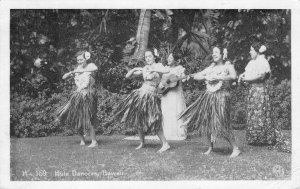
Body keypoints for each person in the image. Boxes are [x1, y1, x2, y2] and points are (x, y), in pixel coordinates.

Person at [178, 46, 241, 158]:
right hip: (209, 96)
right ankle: (210, 147)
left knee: (221, 121)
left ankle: (235, 148)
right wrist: (201, 76)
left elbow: (233, 76)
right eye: (213, 53)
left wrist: (219, 77)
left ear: (222, 54)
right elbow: (198, 76)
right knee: (207, 120)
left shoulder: (227, 66)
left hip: (221, 96)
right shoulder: (211, 67)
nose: (214, 54)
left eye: (216, 52)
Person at [114, 49, 170, 153]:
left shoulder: (158, 66)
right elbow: (128, 76)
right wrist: (135, 68)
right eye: (146, 57)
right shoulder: (145, 68)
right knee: (138, 117)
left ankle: (165, 144)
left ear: (154, 57)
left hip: (152, 96)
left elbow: (167, 71)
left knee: (153, 120)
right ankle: (142, 142)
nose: (147, 58)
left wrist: (155, 70)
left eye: (149, 56)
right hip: (141, 94)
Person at [238, 42, 291, 152]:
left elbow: (261, 76)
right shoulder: (252, 62)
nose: (250, 52)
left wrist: (246, 79)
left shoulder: (263, 62)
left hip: (260, 90)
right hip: (252, 91)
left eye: (251, 50)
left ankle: (264, 138)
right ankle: (254, 138)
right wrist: (242, 76)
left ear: (257, 51)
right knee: (253, 113)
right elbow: (247, 72)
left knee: (261, 112)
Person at [56, 51, 98, 148]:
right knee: (77, 117)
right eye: (78, 60)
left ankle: (94, 141)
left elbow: (96, 69)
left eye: (81, 59)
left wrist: (77, 71)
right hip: (78, 95)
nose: (79, 61)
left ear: (86, 59)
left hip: (88, 94)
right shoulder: (76, 69)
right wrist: (72, 72)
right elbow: (64, 77)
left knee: (90, 117)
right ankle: (82, 140)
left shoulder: (90, 66)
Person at [160, 53, 187, 140]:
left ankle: (177, 132)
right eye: (168, 57)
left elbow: (183, 78)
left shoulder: (180, 68)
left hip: (175, 94)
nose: (168, 59)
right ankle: (167, 132)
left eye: (171, 58)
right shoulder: (165, 68)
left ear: (176, 60)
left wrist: (184, 77)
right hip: (166, 93)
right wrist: (161, 85)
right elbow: (163, 80)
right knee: (166, 111)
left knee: (175, 111)